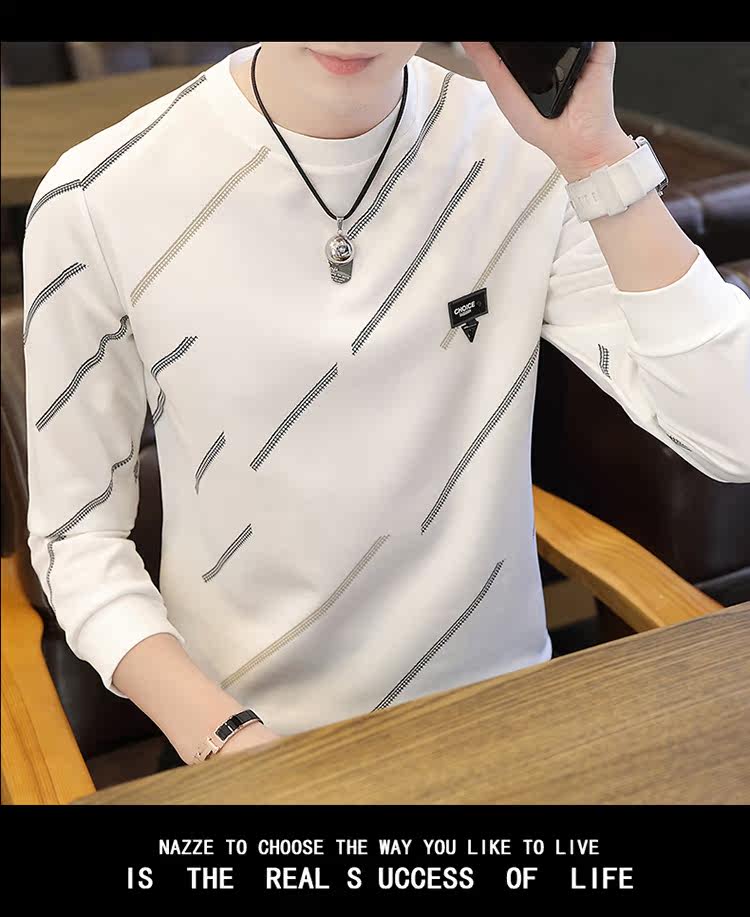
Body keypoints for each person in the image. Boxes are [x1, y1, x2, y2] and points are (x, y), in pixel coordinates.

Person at [22, 41, 750, 770]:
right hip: (245, 745)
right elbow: (76, 542)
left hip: (508, 723)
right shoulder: (96, 196)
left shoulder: (525, 151)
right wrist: (229, 741)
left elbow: (737, 435)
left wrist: (596, 159)